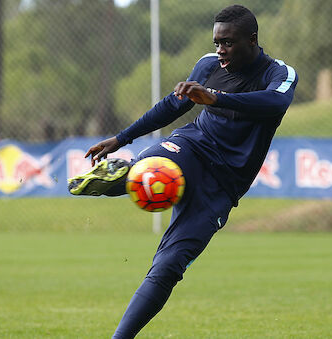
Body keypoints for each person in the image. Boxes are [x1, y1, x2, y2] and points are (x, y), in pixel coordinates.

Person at [68, 5, 298, 338]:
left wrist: (216, 99)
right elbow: (171, 106)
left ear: (252, 40)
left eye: (228, 43)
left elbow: (275, 104)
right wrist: (121, 138)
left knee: (168, 267)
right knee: (154, 168)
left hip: (221, 187)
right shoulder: (208, 64)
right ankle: (125, 174)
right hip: (191, 148)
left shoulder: (278, 73)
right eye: (217, 42)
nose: (220, 50)